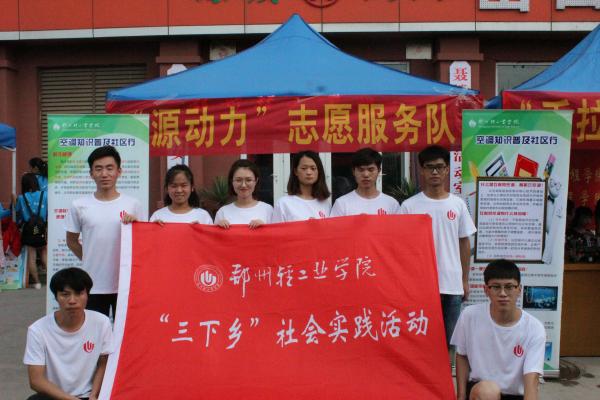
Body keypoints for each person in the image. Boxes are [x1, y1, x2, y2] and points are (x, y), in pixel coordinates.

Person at [399, 145, 476, 347]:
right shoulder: (409, 206)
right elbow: (400, 248)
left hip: (452, 284)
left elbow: (464, 243)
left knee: (451, 341)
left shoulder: (457, 204)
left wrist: (464, 280)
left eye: (440, 167)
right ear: (422, 170)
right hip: (420, 286)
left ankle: (449, 370)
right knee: (421, 342)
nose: (435, 172)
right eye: (429, 167)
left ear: (447, 169)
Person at [65, 145, 143, 317]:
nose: (104, 174)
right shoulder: (79, 205)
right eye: (98, 169)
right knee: (95, 331)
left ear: (119, 171)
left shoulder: (133, 205)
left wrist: (136, 224)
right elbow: (71, 240)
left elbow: (143, 242)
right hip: (93, 284)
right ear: (91, 173)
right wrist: (89, 258)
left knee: (124, 331)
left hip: (125, 284)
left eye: (109, 168)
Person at [451, 259, 545, 400]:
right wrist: (461, 396)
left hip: (515, 395)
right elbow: (462, 355)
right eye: (496, 287)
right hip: (482, 391)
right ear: (486, 290)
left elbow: (532, 377)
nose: (503, 293)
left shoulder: (534, 328)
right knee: (488, 391)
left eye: (509, 287)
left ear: (519, 290)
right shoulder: (469, 316)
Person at [23, 267, 113, 400]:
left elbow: (103, 363)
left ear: (87, 295)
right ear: (56, 297)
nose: (72, 300)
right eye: (65, 294)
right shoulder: (38, 330)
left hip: (90, 395)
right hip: (56, 396)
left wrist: (94, 395)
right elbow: (36, 380)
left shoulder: (101, 322)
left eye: (79, 294)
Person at [329, 148, 400, 216]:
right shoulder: (341, 204)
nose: (366, 174)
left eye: (371, 170)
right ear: (353, 171)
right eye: (361, 170)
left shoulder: (391, 204)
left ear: (379, 170)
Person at [272, 151, 331, 222]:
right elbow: (277, 229)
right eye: (304, 168)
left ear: (319, 172)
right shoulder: (283, 203)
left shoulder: (325, 203)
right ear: (295, 171)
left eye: (313, 168)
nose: (309, 172)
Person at [214, 159, 273, 229]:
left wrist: (265, 229)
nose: (243, 185)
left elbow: (276, 234)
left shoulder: (267, 210)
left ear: (256, 181)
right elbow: (214, 236)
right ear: (232, 181)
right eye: (238, 180)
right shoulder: (222, 212)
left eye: (248, 180)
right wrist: (218, 228)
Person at [15, 173, 48, 289]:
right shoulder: (44, 195)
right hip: (41, 228)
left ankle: (37, 282)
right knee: (44, 253)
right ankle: (50, 280)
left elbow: (17, 213)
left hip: (29, 229)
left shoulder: (21, 198)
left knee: (32, 256)